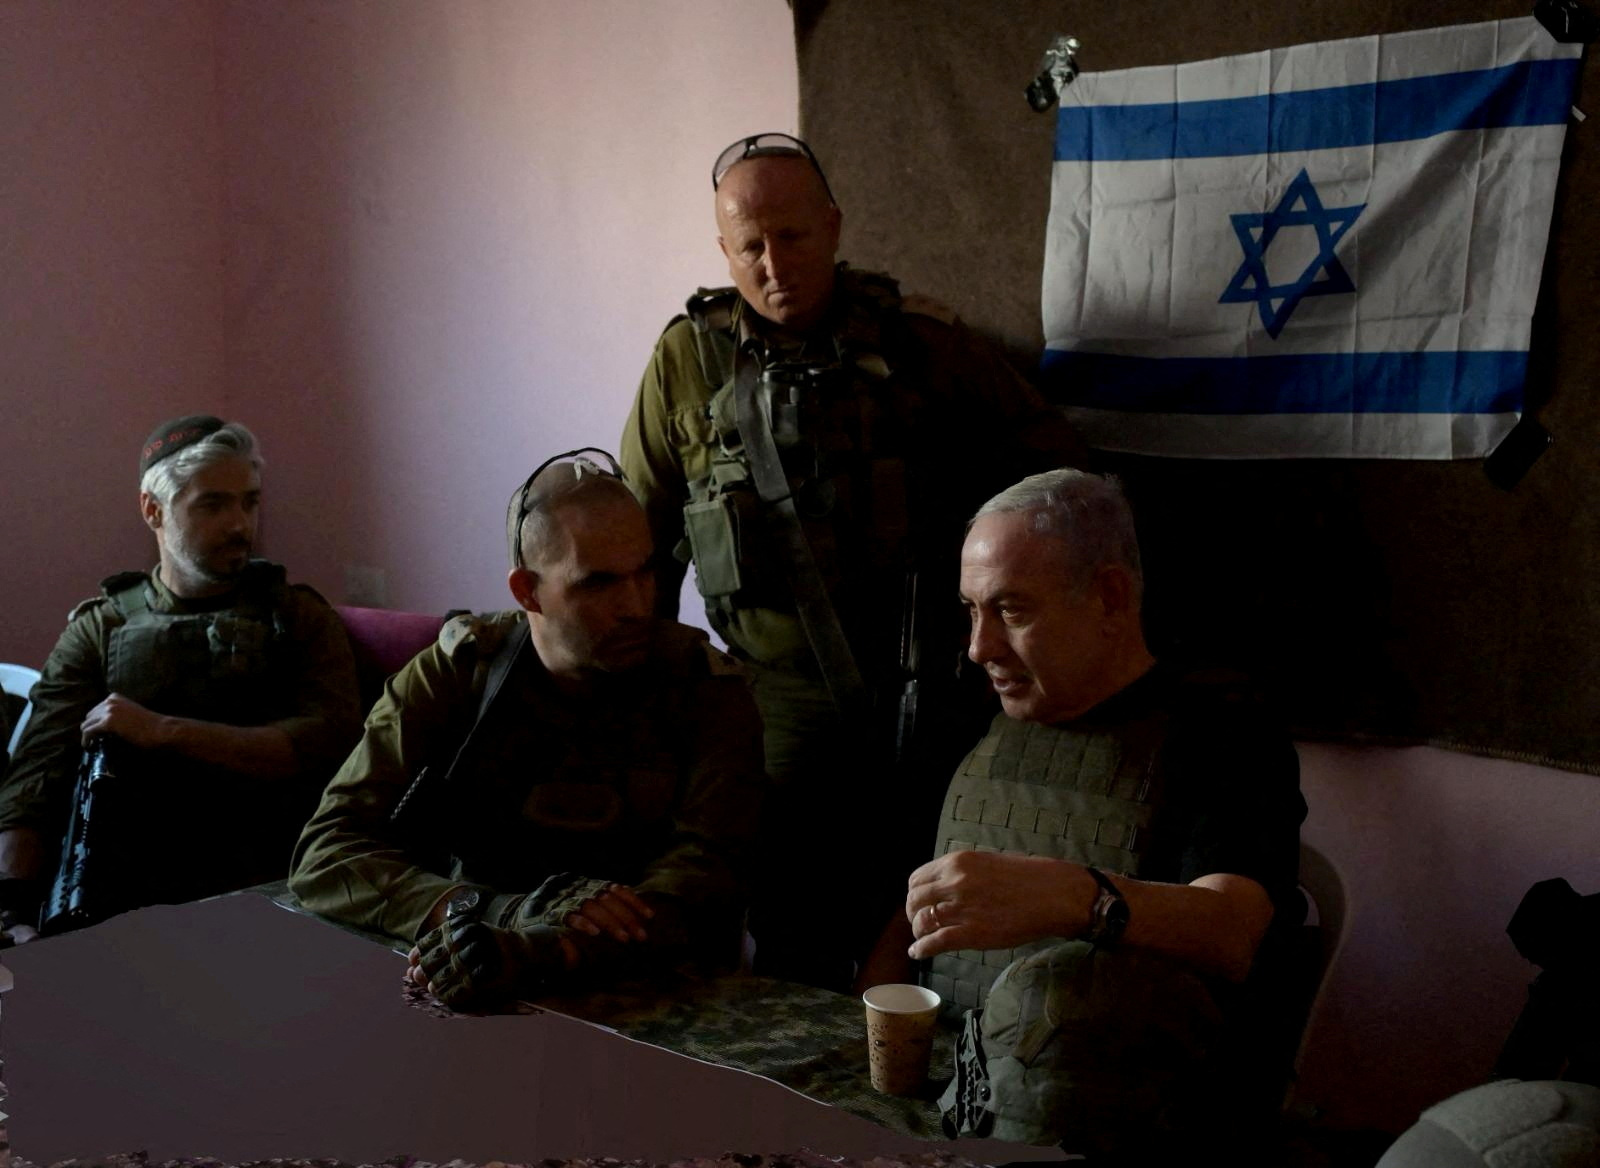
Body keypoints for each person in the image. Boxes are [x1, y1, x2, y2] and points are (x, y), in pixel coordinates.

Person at [620, 131, 1082, 989]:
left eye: (792, 236)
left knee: (933, 935)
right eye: (750, 247)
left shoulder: (923, 344)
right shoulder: (686, 360)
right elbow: (637, 546)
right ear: (724, 250)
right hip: (774, 706)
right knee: (791, 932)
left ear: (832, 226)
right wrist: (647, 711)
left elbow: (1057, 488)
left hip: (933, 689)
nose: (773, 265)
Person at [862, 468, 1307, 1157]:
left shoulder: (1222, 734)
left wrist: (1076, 897)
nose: (979, 647)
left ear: (1109, 597)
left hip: (1115, 1116)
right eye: (971, 610)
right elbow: (915, 909)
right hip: (947, 1088)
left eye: (1011, 611)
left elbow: (1232, 930)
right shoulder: (966, 721)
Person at [289, 450, 766, 1012]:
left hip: (654, 988)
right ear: (526, 591)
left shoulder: (706, 689)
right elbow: (324, 854)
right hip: (475, 963)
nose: (637, 605)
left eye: (645, 572)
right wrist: (493, 913)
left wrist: (541, 948)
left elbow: (703, 883)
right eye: (598, 583)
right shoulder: (459, 673)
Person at [0, 416, 361, 943]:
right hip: (129, 894)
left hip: (269, 884)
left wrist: (165, 731)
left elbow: (331, 743)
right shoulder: (101, 628)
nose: (240, 524)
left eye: (249, 502)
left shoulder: (299, 618)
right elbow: (37, 774)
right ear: (153, 509)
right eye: (213, 504)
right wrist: (11, 911)